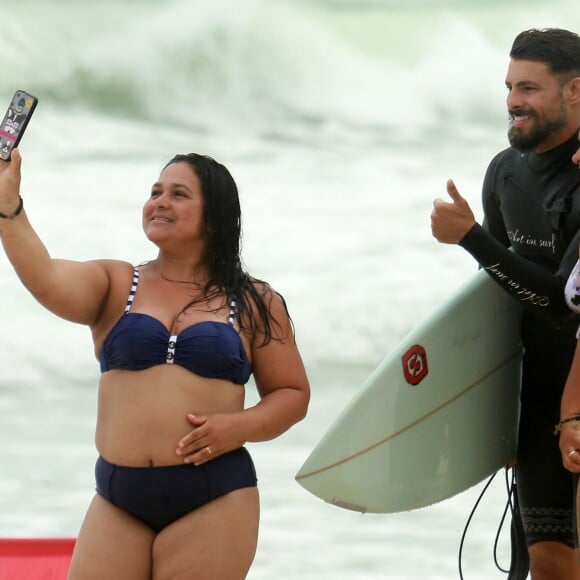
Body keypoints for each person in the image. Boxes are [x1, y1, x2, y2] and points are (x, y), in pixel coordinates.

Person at [0, 149, 310, 579]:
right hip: (117, 499)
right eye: (155, 192)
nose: (160, 201)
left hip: (214, 496)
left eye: (179, 194)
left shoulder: (255, 301)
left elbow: (292, 395)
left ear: (215, 217)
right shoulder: (115, 283)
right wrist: (9, 208)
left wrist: (235, 427)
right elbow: (45, 275)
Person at [430, 28, 580, 580]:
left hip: (579, 395)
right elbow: (498, 297)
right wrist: (495, 418)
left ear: (575, 92)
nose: (514, 101)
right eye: (510, 86)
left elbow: (564, 305)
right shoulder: (505, 171)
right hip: (536, 402)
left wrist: (472, 235)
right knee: (544, 565)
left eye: (530, 88)